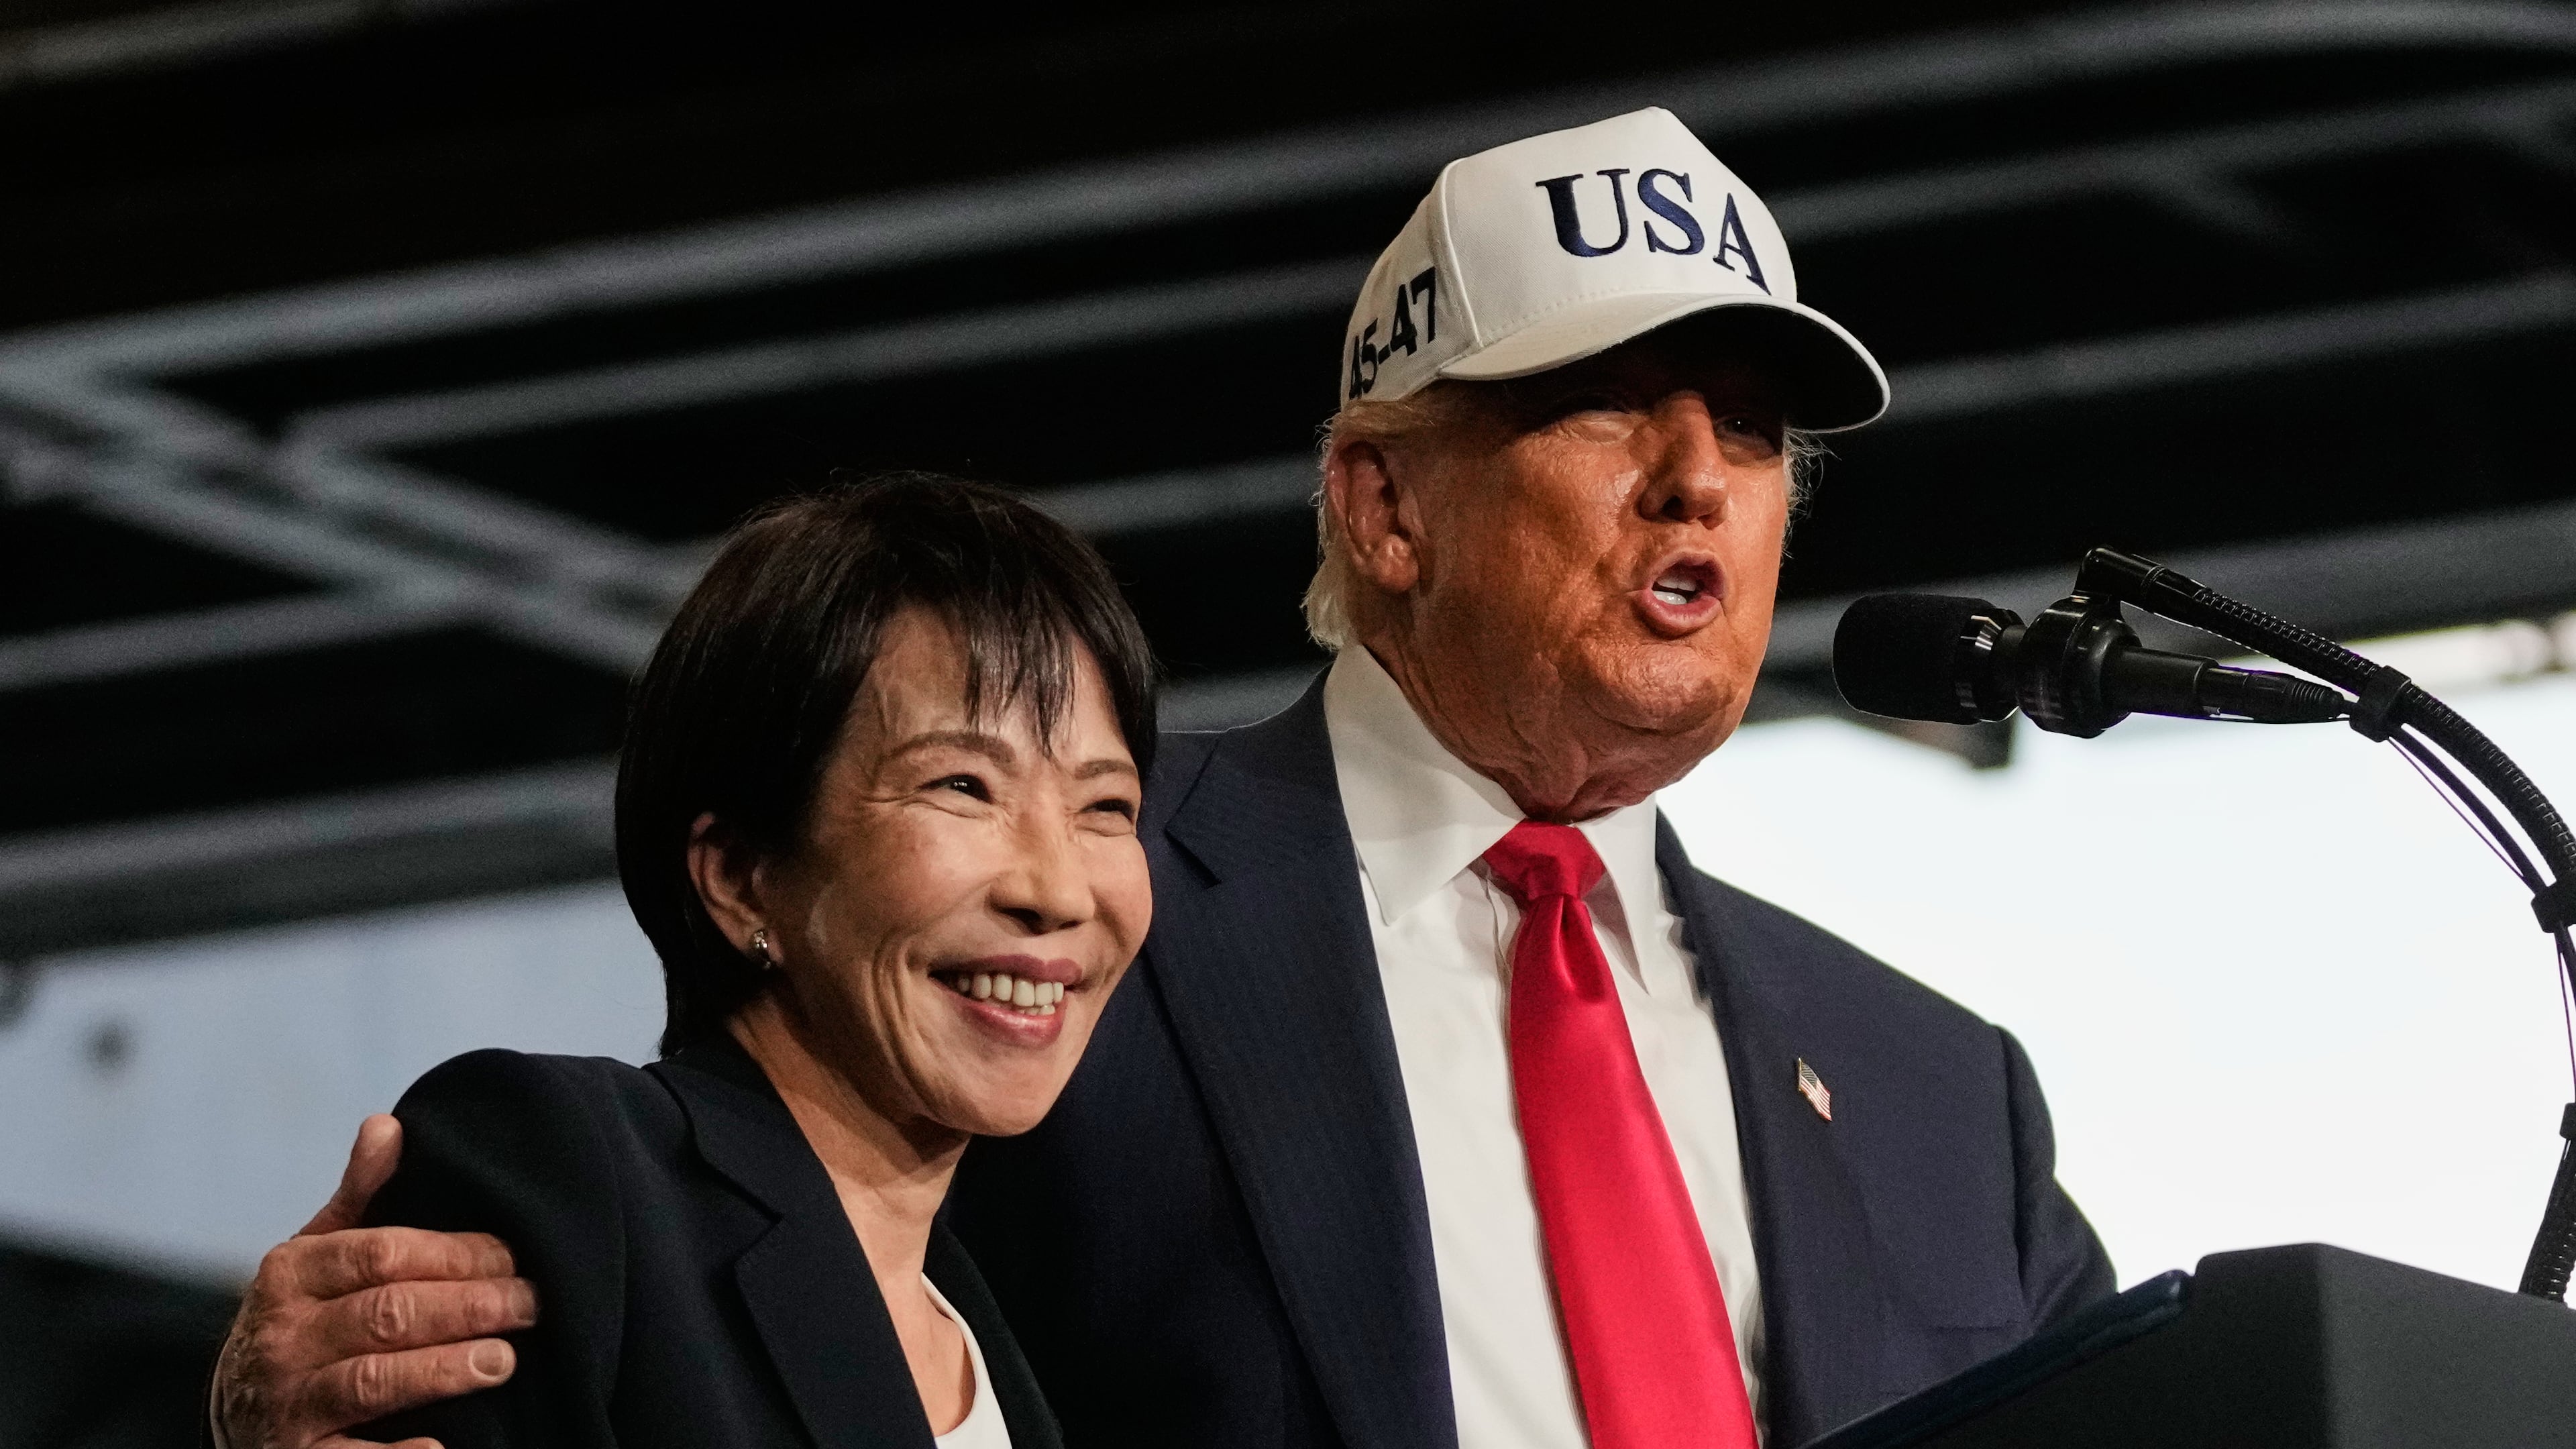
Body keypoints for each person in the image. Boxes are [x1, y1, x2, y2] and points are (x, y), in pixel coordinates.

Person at [214, 109, 2113, 1449]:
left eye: (1761, 436)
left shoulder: (1950, 1104)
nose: (1704, 479)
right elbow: (693, 1287)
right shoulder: (1045, 938)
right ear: (1380, 503)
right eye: (1611, 405)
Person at [241, 475, 1162, 1449]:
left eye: (1105, 806)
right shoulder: (568, 1184)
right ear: (740, 878)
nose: (1058, 890)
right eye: (963, 786)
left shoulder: (1013, 1359)